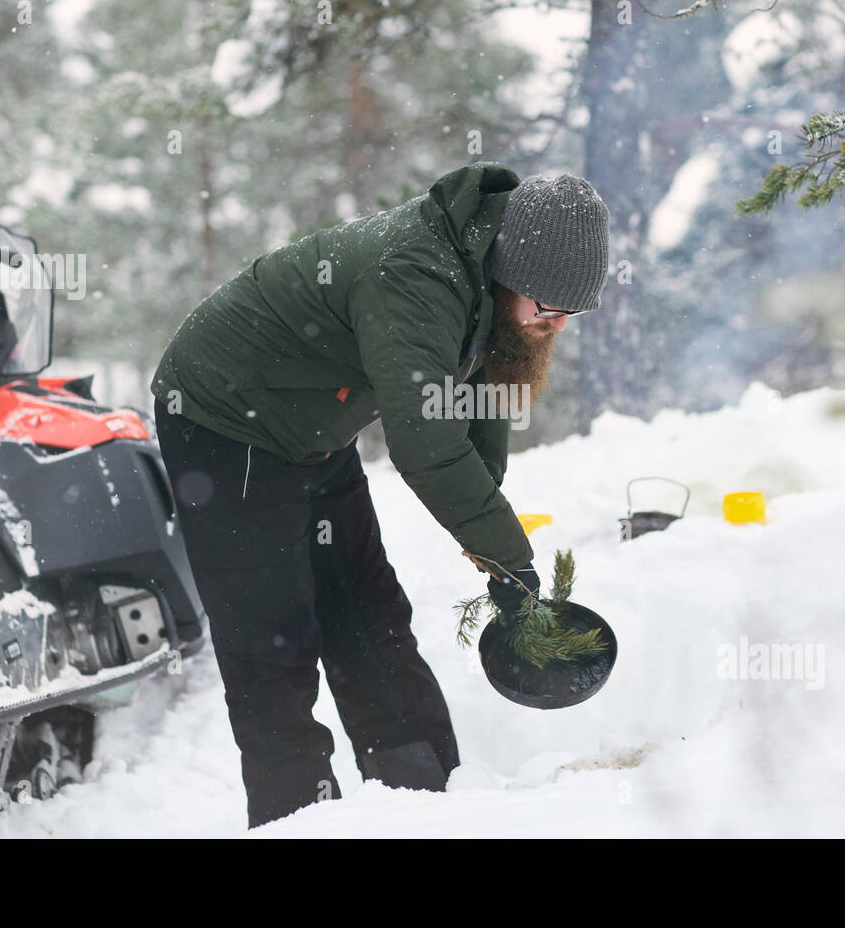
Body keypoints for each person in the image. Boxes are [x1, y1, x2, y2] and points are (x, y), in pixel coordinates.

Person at [149, 161, 610, 828]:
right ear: (511, 272)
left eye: (573, 313)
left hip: (315, 425)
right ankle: (298, 820)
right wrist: (510, 558)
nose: (557, 325)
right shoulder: (417, 276)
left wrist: (489, 544)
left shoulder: (490, 282)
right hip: (224, 419)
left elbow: (479, 401)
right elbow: (425, 443)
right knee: (271, 641)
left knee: (369, 614)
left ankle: (428, 806)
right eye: (549, 308)